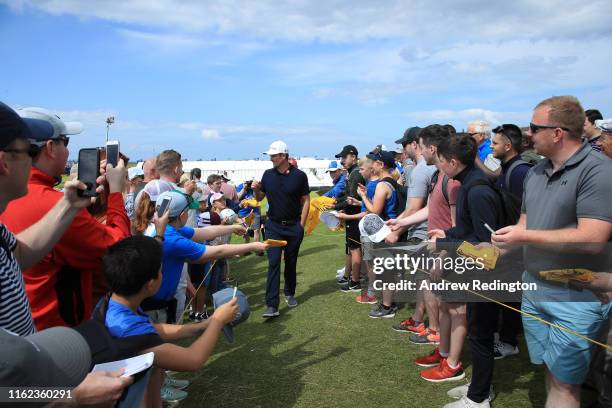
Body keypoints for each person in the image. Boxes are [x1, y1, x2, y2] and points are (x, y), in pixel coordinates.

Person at [0, 101, 134, 405]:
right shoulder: (43, 200)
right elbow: (118, 250)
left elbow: (17, 253)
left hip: (38, 350)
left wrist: (68, 205)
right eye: (25, 152)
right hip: (43, 357)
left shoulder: (28, 215)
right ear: (5, 162)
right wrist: (68, 396)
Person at [492, 96, 612, 408]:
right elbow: (524, 226)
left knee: (564, 384)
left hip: (576, 294)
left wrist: (524, 234)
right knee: (553, 371)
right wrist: (497, 245)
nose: (528, 134)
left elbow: (592, 238)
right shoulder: (535, 172)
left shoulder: (599, 171)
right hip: (534, 288)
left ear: (557, 132)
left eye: (534, 127)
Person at [101, 235, 240, 407]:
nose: (163, 274)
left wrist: (200, 327)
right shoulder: (126, 329)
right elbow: (192, 359)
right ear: (150, 284)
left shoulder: (116, 302)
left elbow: (151, 329)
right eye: (161, 270)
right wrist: (218, 320)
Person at [429, 134, 505, 407]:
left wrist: (444, 243)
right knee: (476, 331)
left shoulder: (477, 190)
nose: (438, 167)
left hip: (486, 273)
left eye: (440, 161)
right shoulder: (467, 184)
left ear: (451, 162)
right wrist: (447, 233)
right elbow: (468, 229)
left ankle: (478, 397)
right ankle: (479, 386)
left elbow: (487, 247)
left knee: (481, 334)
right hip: (475, 269)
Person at [252, 140, 310, 318]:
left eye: (274, 155)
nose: (271, 159)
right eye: (270, 156)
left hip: (293, 226)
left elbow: (306, 200)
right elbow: (261, 197)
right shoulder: (267, 175)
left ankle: (289, 292)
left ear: (284, 156)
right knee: (274, 262)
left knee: (291, 262)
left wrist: (301, 225)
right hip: (273, 226)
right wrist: (255, 190)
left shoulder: (300, 176)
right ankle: (271, 305)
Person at [331, 145, 365, 291]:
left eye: (344, 157)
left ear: (353, 156)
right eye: (341, 158)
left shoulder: (355, 173)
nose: (342, 161)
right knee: (351, 248)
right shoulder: (352, 172)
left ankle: (355, 281)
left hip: (354, 216)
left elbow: (352, 199)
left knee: (355, 248)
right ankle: (352, 277)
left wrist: (334, 206)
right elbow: (347, 196)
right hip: (351, 215)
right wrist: (336, 202)